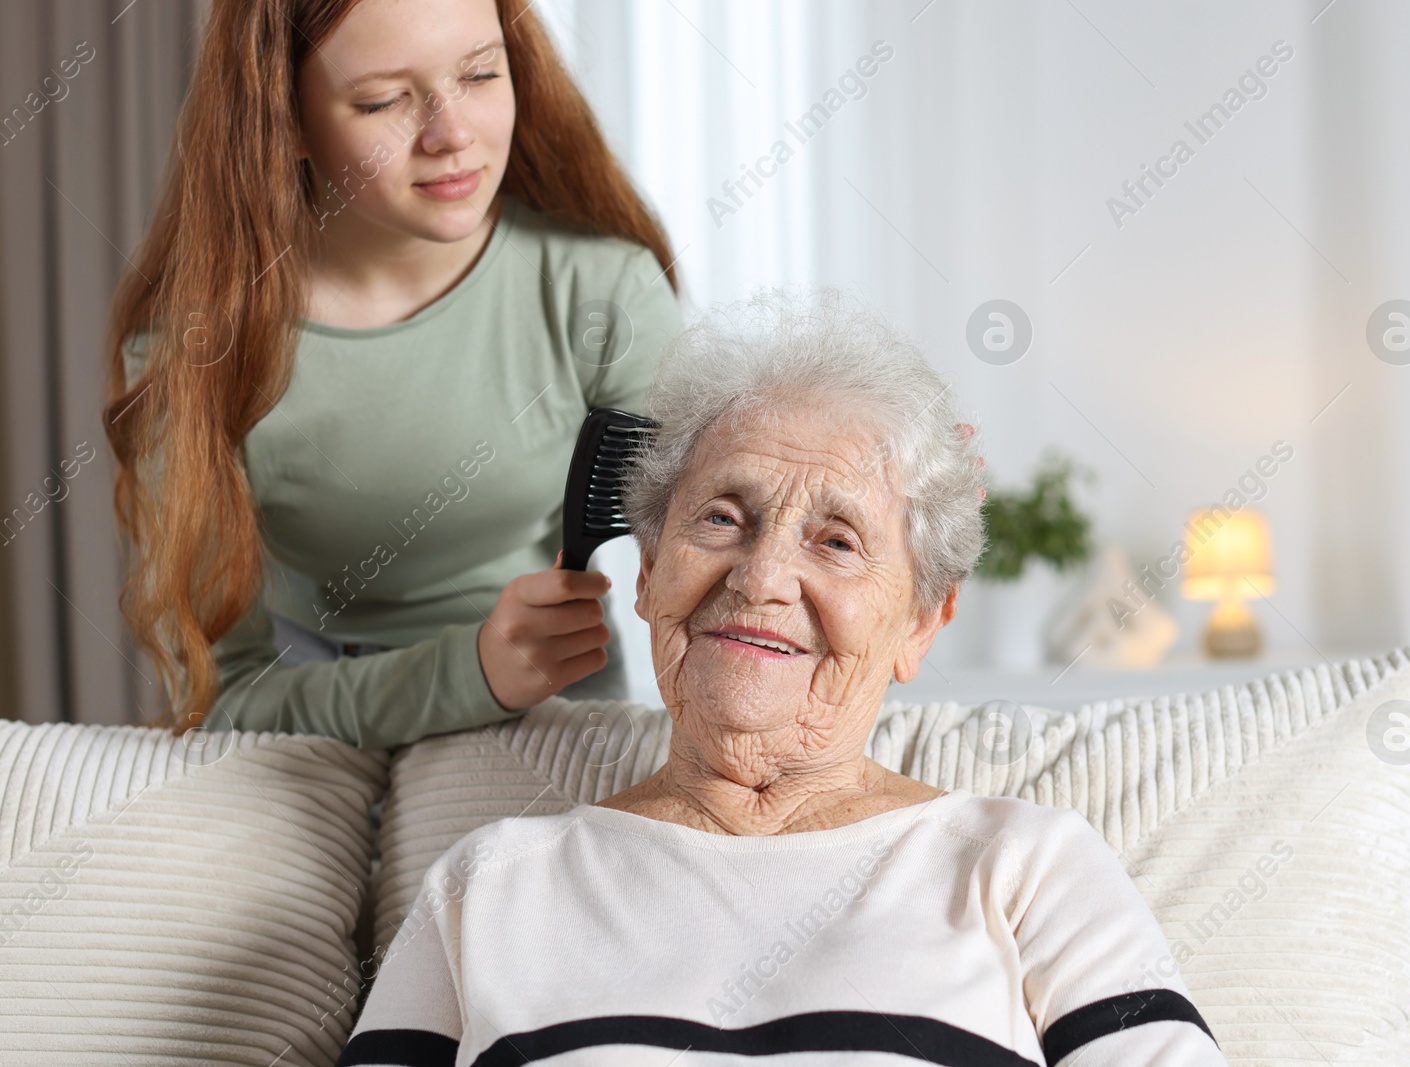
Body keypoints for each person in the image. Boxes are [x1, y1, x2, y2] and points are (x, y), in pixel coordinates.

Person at [337, 291, 1226, 1066]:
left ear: (920, 622)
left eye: (836, 539)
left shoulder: (1025, 869)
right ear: (646, 575)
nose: (760, 578)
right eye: (722, 517)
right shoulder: (489, 886)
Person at [101, 0, 683, 748]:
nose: (452, 135)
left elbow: (710, 571)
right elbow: (222, 702)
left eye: (479, 73)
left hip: (560, 722)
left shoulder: (604, 293)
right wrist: (466, 675)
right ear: (286, 121)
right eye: (383, 101)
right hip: (313, 745)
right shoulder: (187, 355)